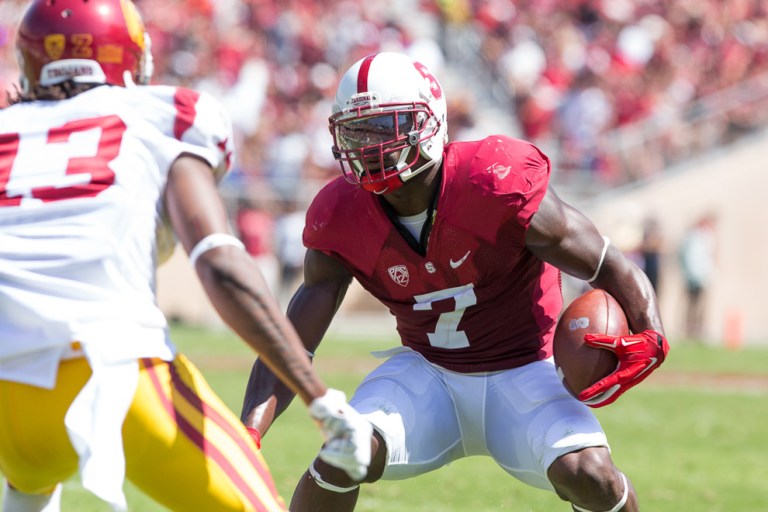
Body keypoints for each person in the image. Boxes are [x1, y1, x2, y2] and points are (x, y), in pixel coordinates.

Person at [241, 51, 669, 512]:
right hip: (428, 374)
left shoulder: (494, 180)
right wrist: (248, 434)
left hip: (528, 369)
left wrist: (653, 334)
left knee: (593, 478)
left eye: (386, 125)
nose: (370, 143)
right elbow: (292, 343)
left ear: (429, 120)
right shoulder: (340, 213)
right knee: (345, 453)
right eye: (358, 129)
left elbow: (606, 262)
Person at [0, 2, 371, 512]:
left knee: (28, 489)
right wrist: (318, 397)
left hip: (7, 404)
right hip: (113, 376)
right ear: (129, 58)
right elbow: (218, 261)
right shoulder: (156, 116)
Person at [678, 214, 717, 340]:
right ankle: (690, 331)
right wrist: (693, 275)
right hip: (694, 277)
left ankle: (699, 331)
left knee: (701, 306)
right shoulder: (693, 238)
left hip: (704, 276)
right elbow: (691, 259)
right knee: (693, 305)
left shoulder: (707, 237)